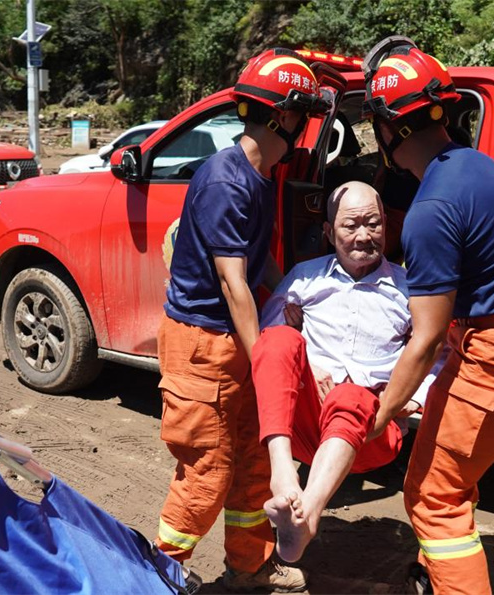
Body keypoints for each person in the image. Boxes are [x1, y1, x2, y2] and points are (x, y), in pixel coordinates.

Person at [361, 37, 494, 595]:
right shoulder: (474, 165)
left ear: (389, 131)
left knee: (433, 494)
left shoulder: (430, 211)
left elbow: (427, 339)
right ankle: (442, 570)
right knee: (448, 466)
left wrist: (378, 417)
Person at [154, 48, 331, 593]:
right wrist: (266, 364)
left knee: (255, 465)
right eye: (303, 116)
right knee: (206, 473)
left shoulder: (258, 176)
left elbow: (257, 263)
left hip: (230, 342)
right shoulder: (227, 181)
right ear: (284, 116)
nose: (304, 129)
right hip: (202, 348)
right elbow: (234, 284)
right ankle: (157, 574)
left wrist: (289, 293)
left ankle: (249, 568)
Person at [251, 181, 442, 564]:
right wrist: (309, 359)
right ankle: (284, 473)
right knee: (276, 339)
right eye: (350, 225)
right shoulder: (305, 278)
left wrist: (412, 399)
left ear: (387, 225)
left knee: (351, 393)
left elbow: (439, 353)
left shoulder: (411, 289)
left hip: (371, 430)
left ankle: (308, 512)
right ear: (327, 232)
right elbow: (268, 347)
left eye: (372, 224)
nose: (363, 236)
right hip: (306, 424)